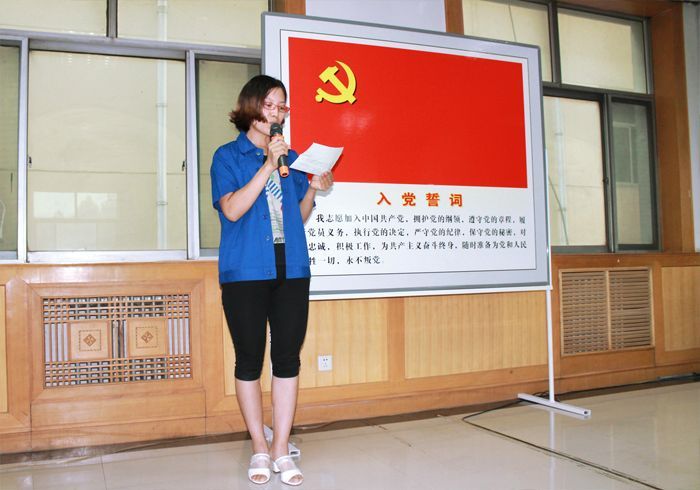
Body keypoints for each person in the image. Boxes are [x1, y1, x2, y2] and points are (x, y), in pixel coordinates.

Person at [211, 74, 333, 486]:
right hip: (245, 271)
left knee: (287, 359)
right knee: (249, 360)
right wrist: (267, 164)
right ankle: (259, 448)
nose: (278, 113)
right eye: (270, 105)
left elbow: (297, 216)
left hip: (291, 270)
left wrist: (312, 189)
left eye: (282, 106)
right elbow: (232, 210)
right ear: (251, 108)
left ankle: (280, 447)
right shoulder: (228, 156)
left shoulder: (292, 159)